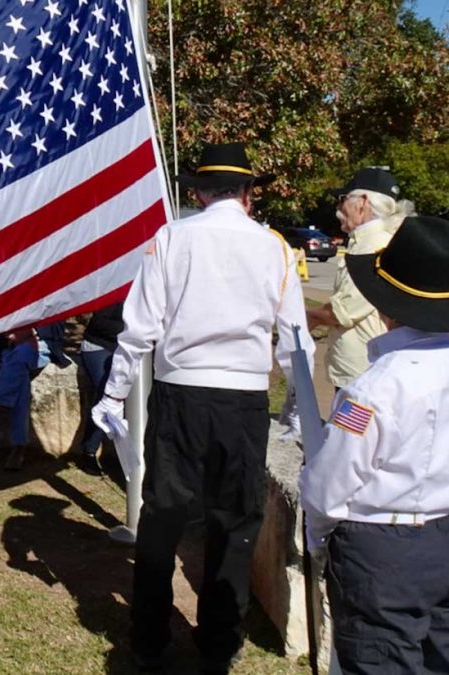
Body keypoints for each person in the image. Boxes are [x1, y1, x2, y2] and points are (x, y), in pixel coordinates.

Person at [91, 142, 315, 674]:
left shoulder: (172, 237)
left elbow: (139, 329)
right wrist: (304, 414)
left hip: (181, 395)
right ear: (247, 195)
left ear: (197, 192)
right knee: (233, 521)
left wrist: (113, 392)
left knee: (163, 517)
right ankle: (220, 641)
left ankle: (148, 639)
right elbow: (296, 341)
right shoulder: (275, 247)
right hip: (241, 399)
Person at [299, 215, 449, 675]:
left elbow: (329, 485)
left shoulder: (374, 388)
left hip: (381, 548)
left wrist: (318, 535)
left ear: (386, 306)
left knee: (378, 658)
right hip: (443, 536)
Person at [306, 167, 414, 391]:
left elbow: (344, 310)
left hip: (364, 375)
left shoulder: (372, 247)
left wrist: (309, 317)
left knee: (352, 426)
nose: (338, 208)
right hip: (362, 371)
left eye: (342, 199)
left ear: (362, 202)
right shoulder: (371, 242)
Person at [0, 326, 38, 471]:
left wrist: (25, 335)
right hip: (11, 350)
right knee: (21, 386)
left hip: (39, 347)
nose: (9, 335)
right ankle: (19, 446)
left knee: (17, 361)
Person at [78, 301, 124, 475]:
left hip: (126, 351)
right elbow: (99, 324)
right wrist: (130, 330)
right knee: (107, 392)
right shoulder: (118, 293)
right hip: (98, 347)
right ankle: (89, 450)